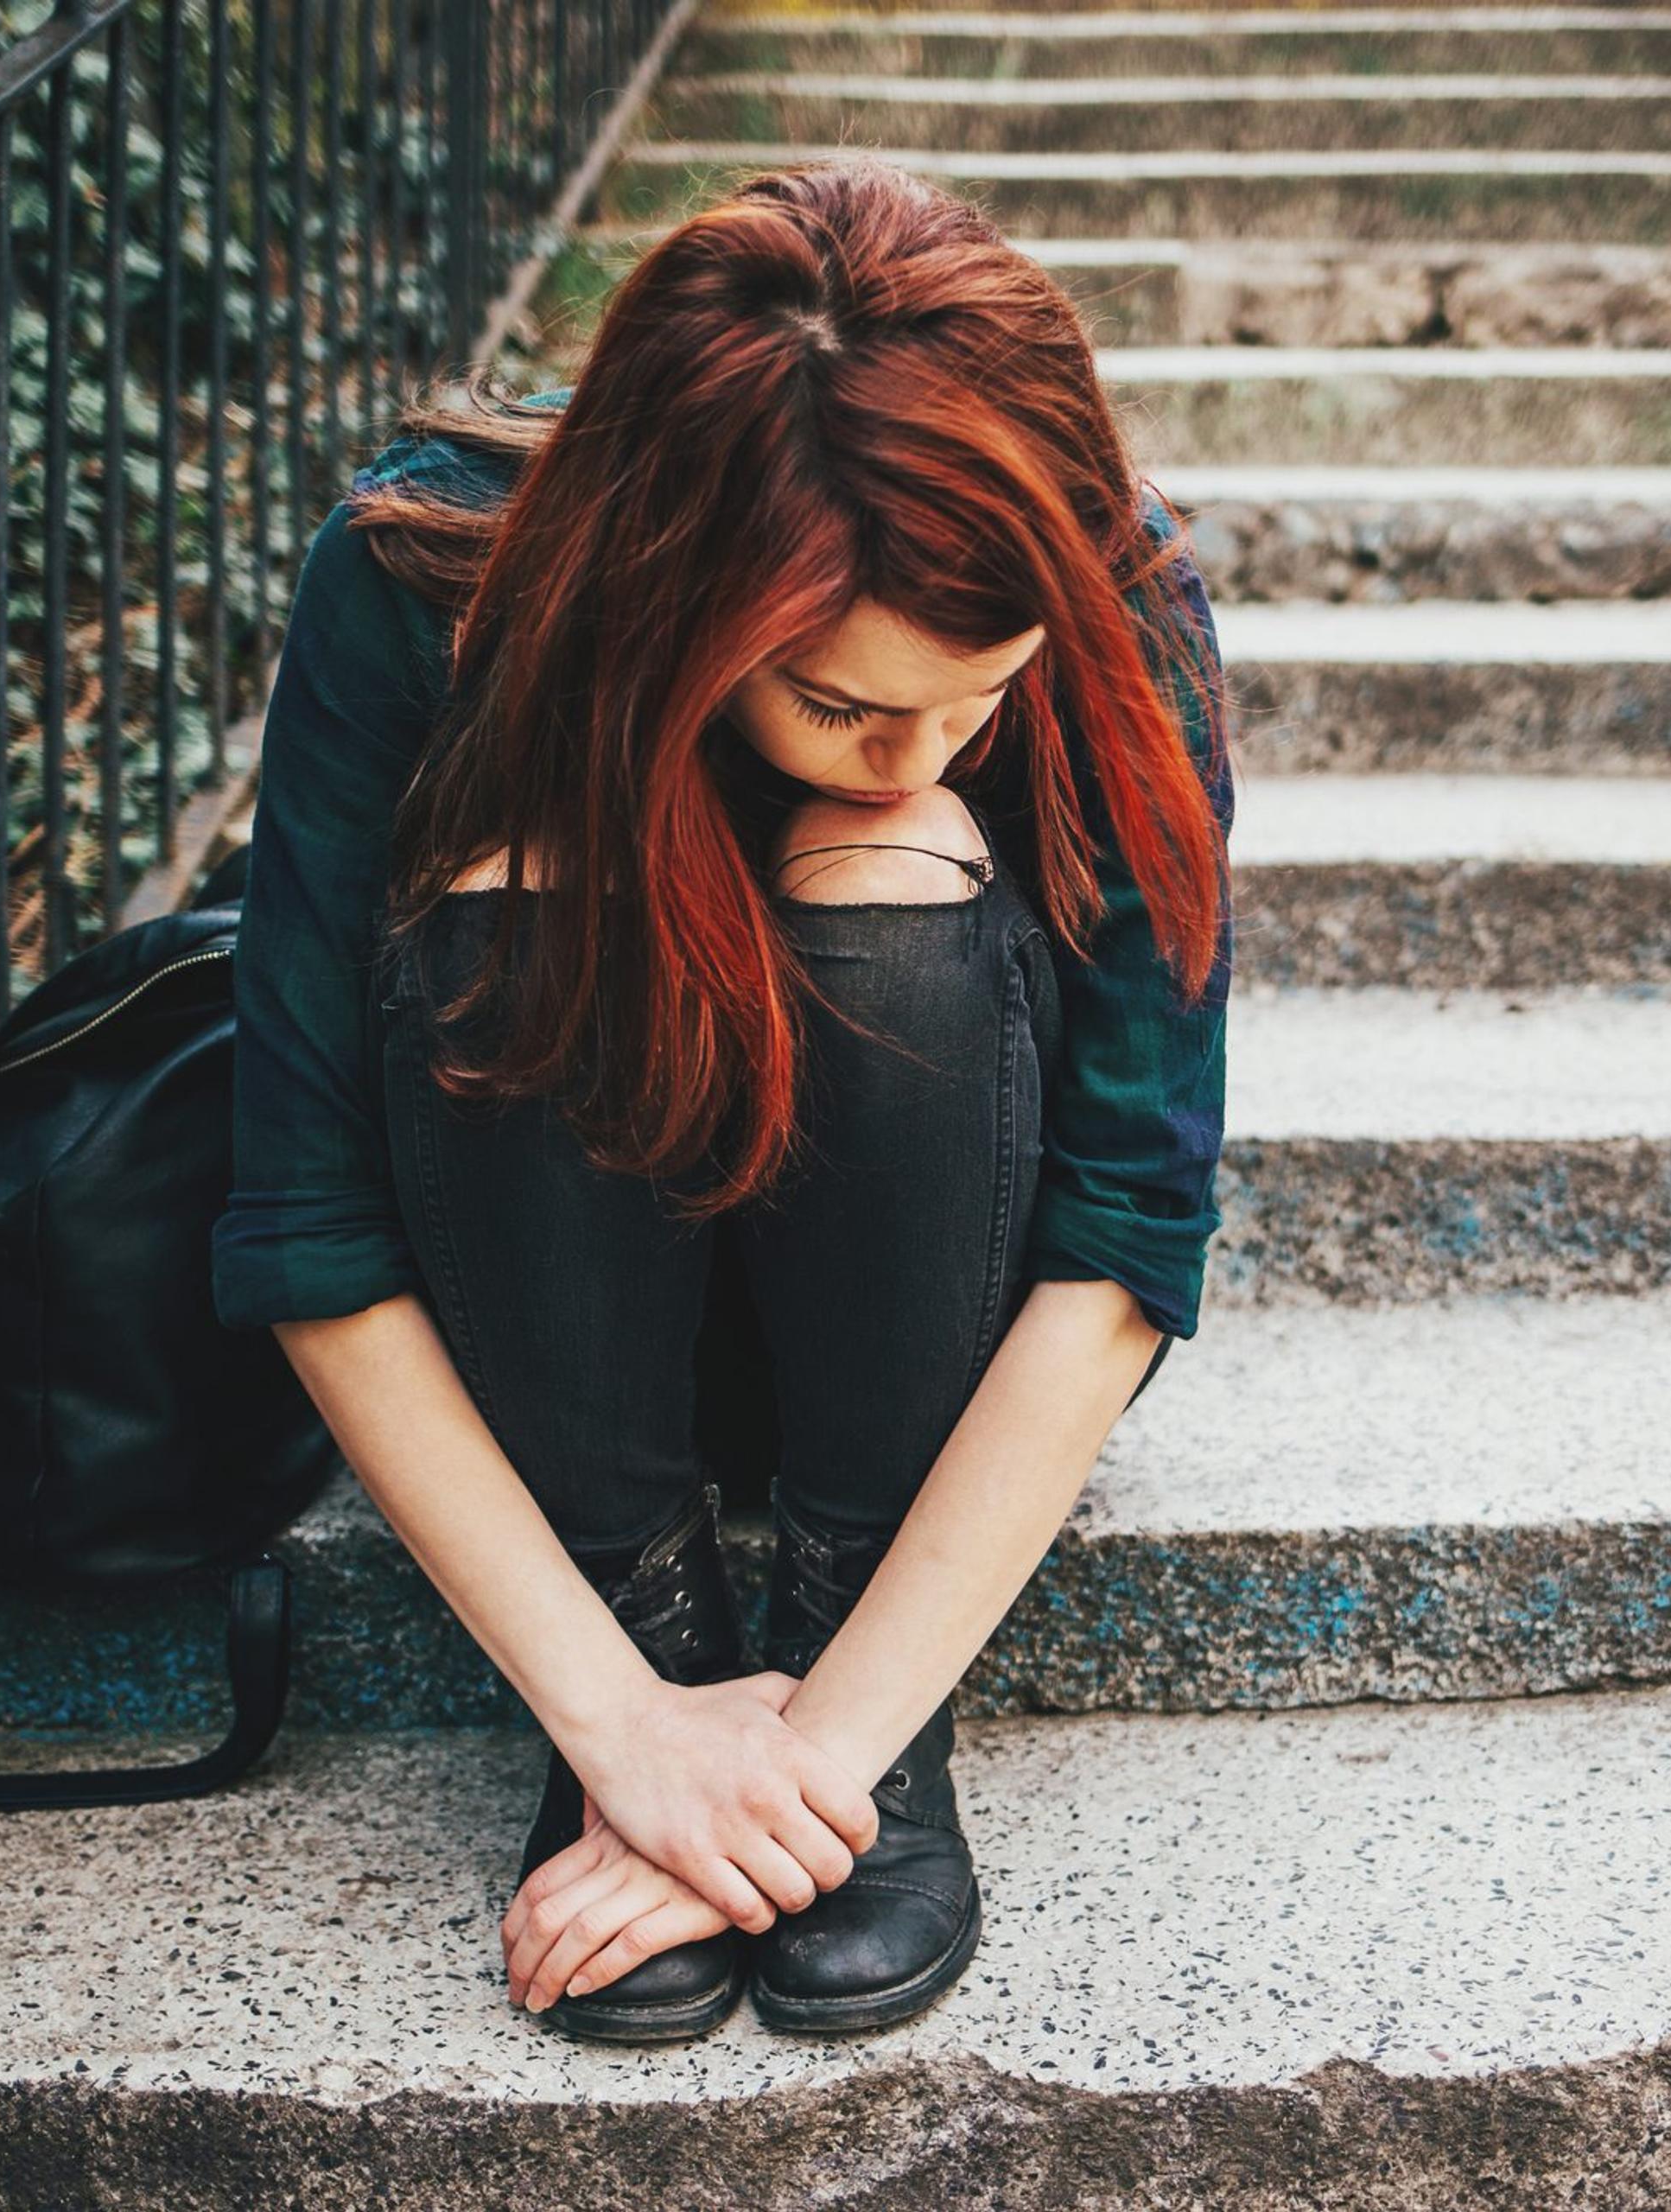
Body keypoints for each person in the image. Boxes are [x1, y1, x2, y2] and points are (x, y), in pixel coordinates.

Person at [212, 154, 1236, 2044]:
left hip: (930, 1344)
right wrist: (631, 1729)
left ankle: (843, 1634)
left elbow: (1124, 1232)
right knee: (525, 879)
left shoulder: (1116, 588)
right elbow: (309, 1220)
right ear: (683, 593)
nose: (921, 745)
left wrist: (821, 1758)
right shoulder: (419, 578)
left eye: (978, 690)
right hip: (550, 1316)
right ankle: (661, 1613)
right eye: (848, 701)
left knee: (890, 863)